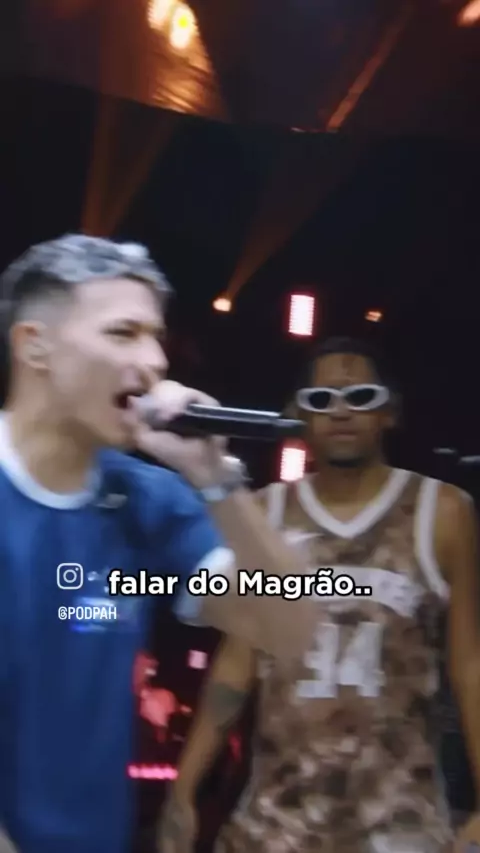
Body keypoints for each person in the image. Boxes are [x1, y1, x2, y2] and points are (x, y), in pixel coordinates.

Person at [0, 234, 315, 853]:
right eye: (123, 333)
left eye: (156, 337)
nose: (153, 361)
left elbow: (288, 629)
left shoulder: (145, 499)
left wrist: (216, 478)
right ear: (36, 346)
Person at [161, 336, 480, 853]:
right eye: (321, 399)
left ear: (390, 412)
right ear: (297, 416)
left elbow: (470, 664)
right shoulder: (264, 514)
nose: (341, 411)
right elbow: (238, 662)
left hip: (400, 822)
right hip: (276, 825)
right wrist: (184, 787)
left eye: (361, 396)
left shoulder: (441, 511)